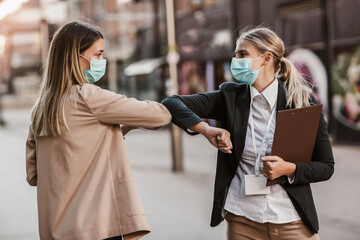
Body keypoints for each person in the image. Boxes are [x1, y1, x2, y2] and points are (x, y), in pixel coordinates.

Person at [162, 26, 334, 240]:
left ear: (266, 58)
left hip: (292, 221)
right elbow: (172, 103)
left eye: (243, 54)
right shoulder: (230, 96)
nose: (237, 60)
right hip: (243, 221)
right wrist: (205, 129)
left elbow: (326, 166)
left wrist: (288, 169)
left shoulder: (299, 101)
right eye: (235, 55)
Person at [26, 21, 171, 240]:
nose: (102, 61)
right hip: (95, 227)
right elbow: (160, 115)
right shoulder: (88, 96)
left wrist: (113, 131)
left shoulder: (41, 109)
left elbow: (33, 175)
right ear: (75, 56)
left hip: (54, 230)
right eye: (98, 54)